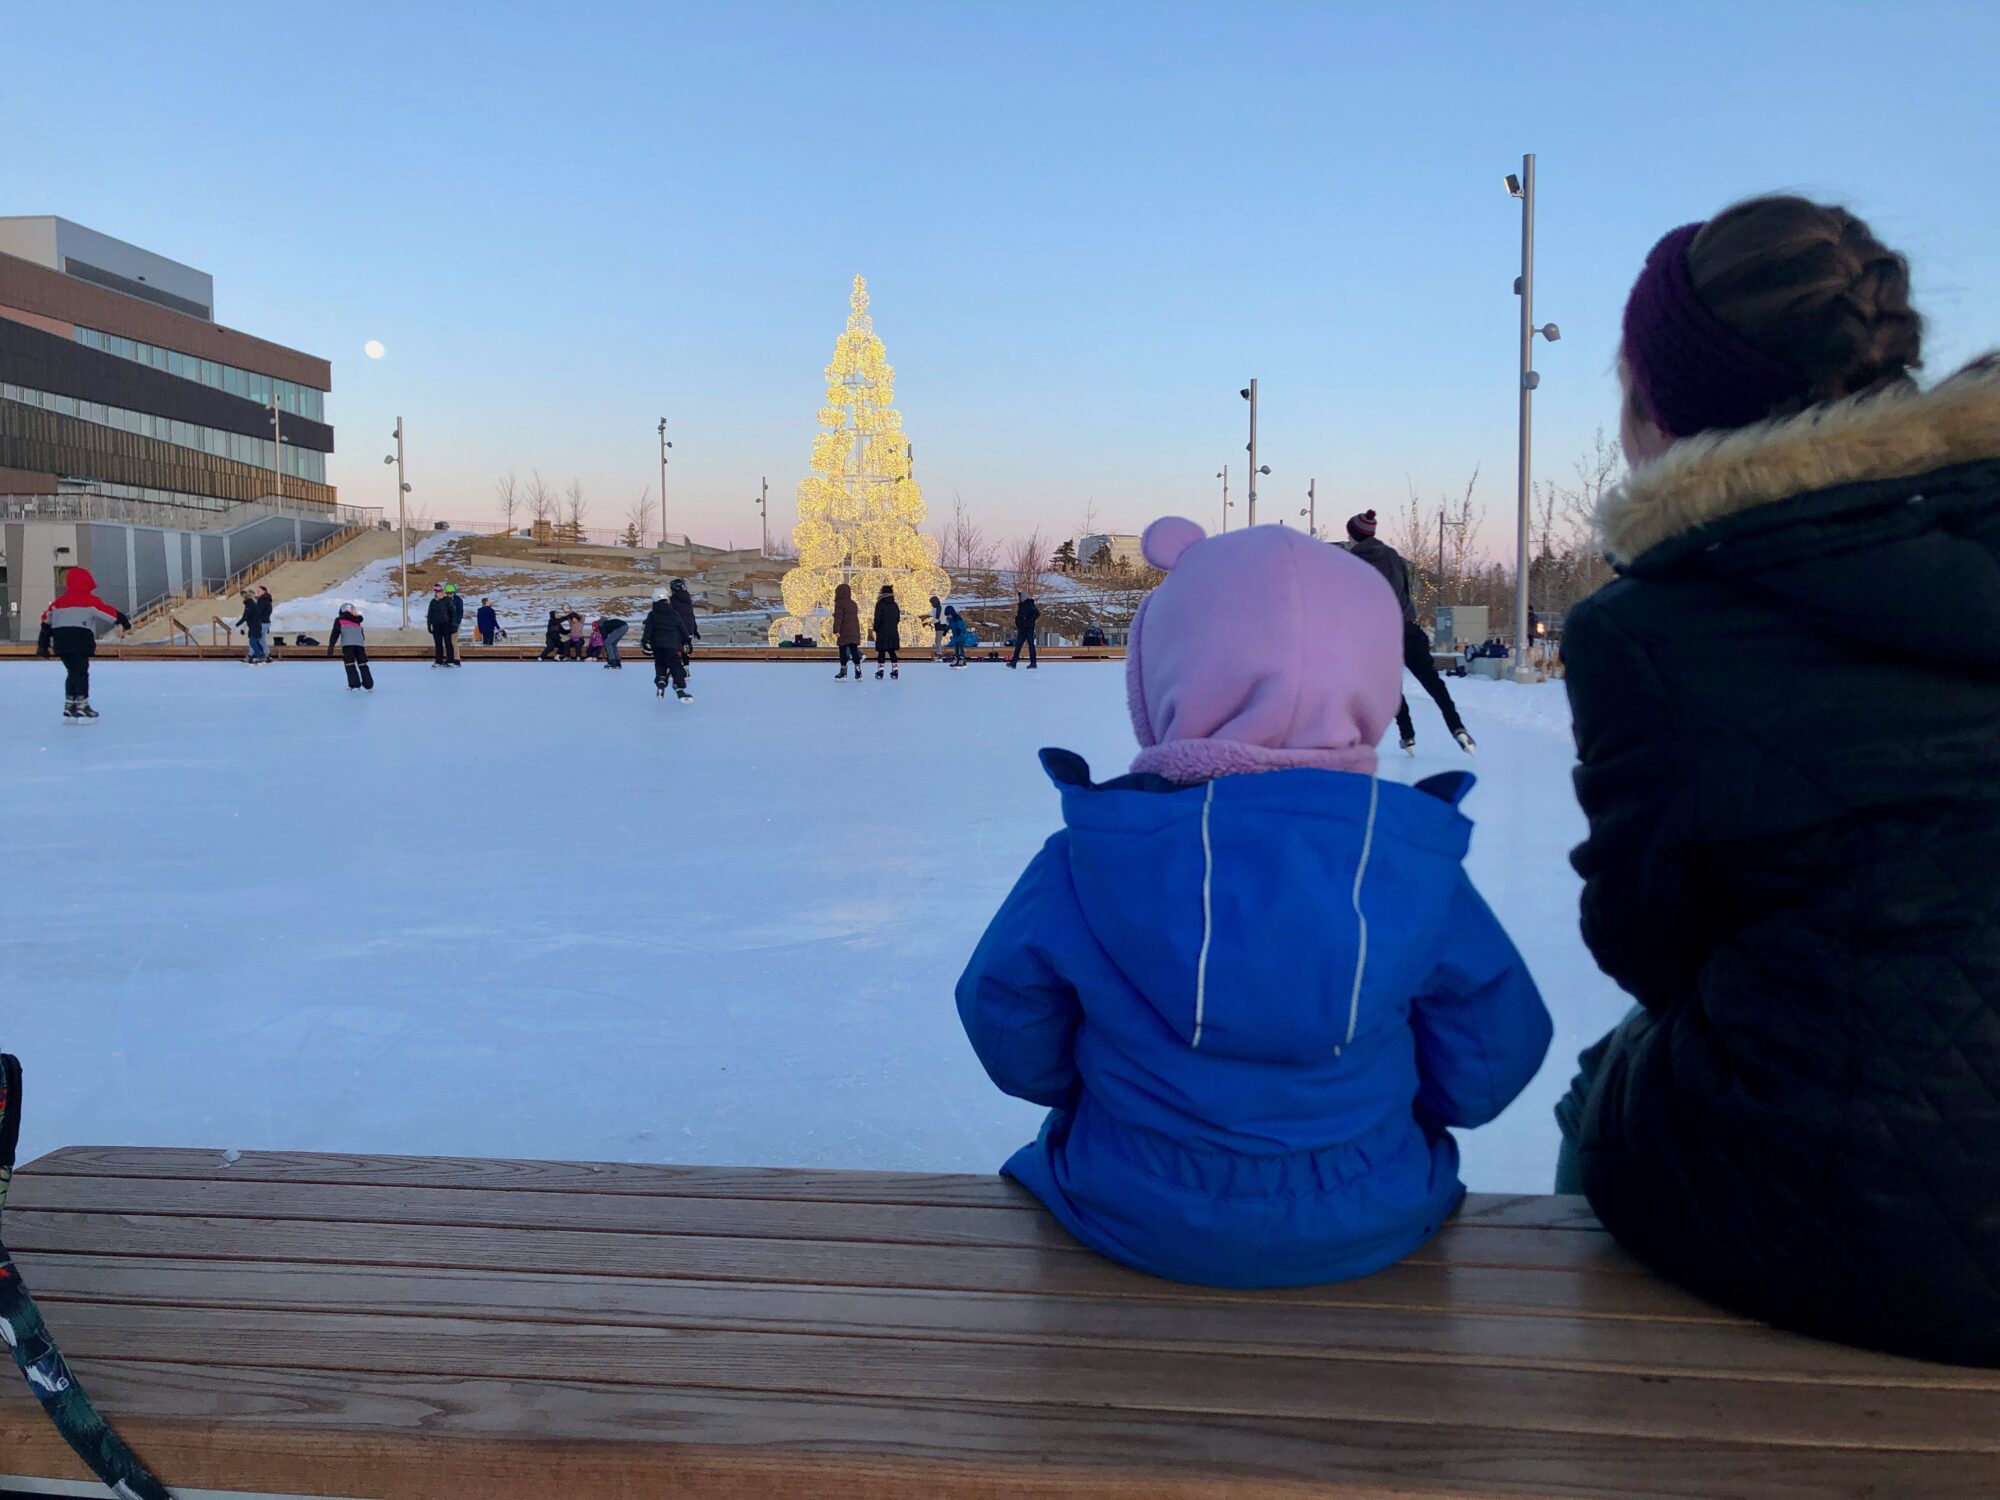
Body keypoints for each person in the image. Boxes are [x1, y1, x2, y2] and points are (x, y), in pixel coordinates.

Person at [1556, 195, 2000, 1367]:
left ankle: (1599, 1411)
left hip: (1865, 1237)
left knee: (1603, 1084)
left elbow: (1648, 941)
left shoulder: (1653, 632)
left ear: (1661, 414)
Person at [956, 517, 1549, 1288]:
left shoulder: (1092, 856)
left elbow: (1007, 1021)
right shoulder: (1406, 862)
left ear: (1162, 677)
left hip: (1129, 1203)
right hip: (1371, 1207)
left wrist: (1107, 1095)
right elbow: (1491, 1055)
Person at [1343, 510, 1474, 755]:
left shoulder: (1352, 563)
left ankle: (1408, 734)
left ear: (1353, 536)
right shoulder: (1393, 556)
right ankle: (1457, 726)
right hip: (1407, 628)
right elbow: (1406, 589)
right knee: (1432, 681)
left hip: (1379, 636)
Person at [37, 567, 130, 720]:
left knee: (72, 672)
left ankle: (70, 703)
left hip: (61, 643)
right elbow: (108, 612)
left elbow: (46, 622)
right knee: (81, 671)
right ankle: (81, 703)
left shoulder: (58, 603)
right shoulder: (89, 601)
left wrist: (43, 644)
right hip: (80, 641)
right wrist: (123, 621)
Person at [640, 587, 694, 701]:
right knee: (676, 666)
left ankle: (661, 681)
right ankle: (679, 688)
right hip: (671, 645)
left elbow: (648, 630)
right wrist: (687, 641)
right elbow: (682, 629)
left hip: (657, 647)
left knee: (660, 664)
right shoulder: (673, 614)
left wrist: (645, 642)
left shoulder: (652, 615)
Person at [326, 601, 373, 691]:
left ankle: (355, 684)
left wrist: (331, 647)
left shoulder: (340, 620)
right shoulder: (357, 621)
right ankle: (368, 684)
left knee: (350, 663)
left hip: (348, 644)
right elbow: (362, 635)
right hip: (360, 645)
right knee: (362, 663)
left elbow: (335, 634)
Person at [832, 581, 863, 680]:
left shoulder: (839, 603)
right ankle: (858, 672)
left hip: (843, 631)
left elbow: (838, 617)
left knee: (843, 651)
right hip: (854, 631)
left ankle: (843, 672)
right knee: (854, 650)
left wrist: (836, 630)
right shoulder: (853, 603)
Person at [425, 583, 459, 667]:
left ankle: (450, 660)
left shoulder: (447, 601)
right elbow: (430, 614)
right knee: (438, 644)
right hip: (436, 625)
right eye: (438, 592)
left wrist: (454, 624)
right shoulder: (433, 602)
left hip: (446, 624)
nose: (440, 594)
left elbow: (453, 613)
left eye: (441, 592)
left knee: (448, 643)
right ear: (436, 593)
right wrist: (429, 625)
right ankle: (438, 661)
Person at [669, 579, 701, 669]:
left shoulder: (672, 600)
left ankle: (677, 670)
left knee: (676, 649)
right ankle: (686, 669)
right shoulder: (688, 599)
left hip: (678, 629)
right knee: (685, 649)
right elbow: (691, 615)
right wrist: (695, 629)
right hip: (689, 628)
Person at [873, 583, 902, 680]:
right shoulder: (894, 604)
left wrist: (876, 628)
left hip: (882, 631)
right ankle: (895, 670)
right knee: (892, 651)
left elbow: (877, 618)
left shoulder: (880, 604)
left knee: (881, 651)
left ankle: (880, 671)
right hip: (893, 631)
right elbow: (898, 618)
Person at [1009, 591, 1040, 669]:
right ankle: (1013, 663)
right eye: (1019, 597)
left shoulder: (1030, 603)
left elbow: (1037, 614)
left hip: (1029, 628)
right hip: (1022, 629)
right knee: (1018, 645)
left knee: (1031, 646)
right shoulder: (1020, 605)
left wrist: (1028, 621)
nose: (1019, 598)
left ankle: (1033, 663)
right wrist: (1018, 622)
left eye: (1020, 597)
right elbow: (1019, 616)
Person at [233, 589, 265, 663]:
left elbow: (245, 617)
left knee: (253, 642)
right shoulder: (251, 603)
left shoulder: (249, 604)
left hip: (255, 626)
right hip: (254, 625)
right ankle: (260, 655)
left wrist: (236, 625)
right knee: (256, 641)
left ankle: (259, 656)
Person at [929, 594, 946, 662]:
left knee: (937, 641)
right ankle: (939, 654)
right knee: (937, 641)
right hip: (941, 626)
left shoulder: (938, 608)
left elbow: (937, 618)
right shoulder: (939, 607)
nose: (931, 604)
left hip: (940, 626)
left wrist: (930, 623)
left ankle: (939, 655)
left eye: (932, 603)